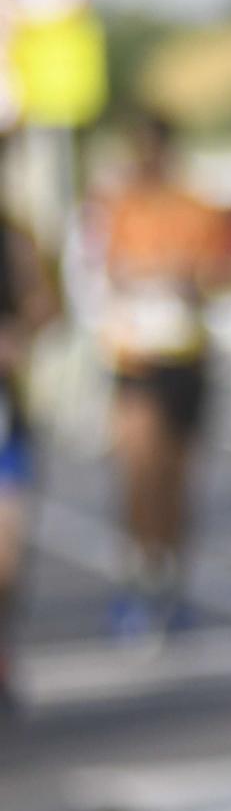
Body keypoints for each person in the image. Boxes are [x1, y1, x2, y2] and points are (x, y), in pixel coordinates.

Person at [98, 110, 230, 637]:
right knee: (138, 472)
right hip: (135, 360)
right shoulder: (115, 207)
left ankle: (173, 578)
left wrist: (186, 278)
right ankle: (140, 575)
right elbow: (97, 270)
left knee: (178, 478)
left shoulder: (198, 209)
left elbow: (219, 274)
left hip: (186, 358)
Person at [0, 198, 60, 714]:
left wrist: (19, 334)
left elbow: (45, 305)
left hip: (5, 422)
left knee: (6, 555)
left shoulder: (13, 235)